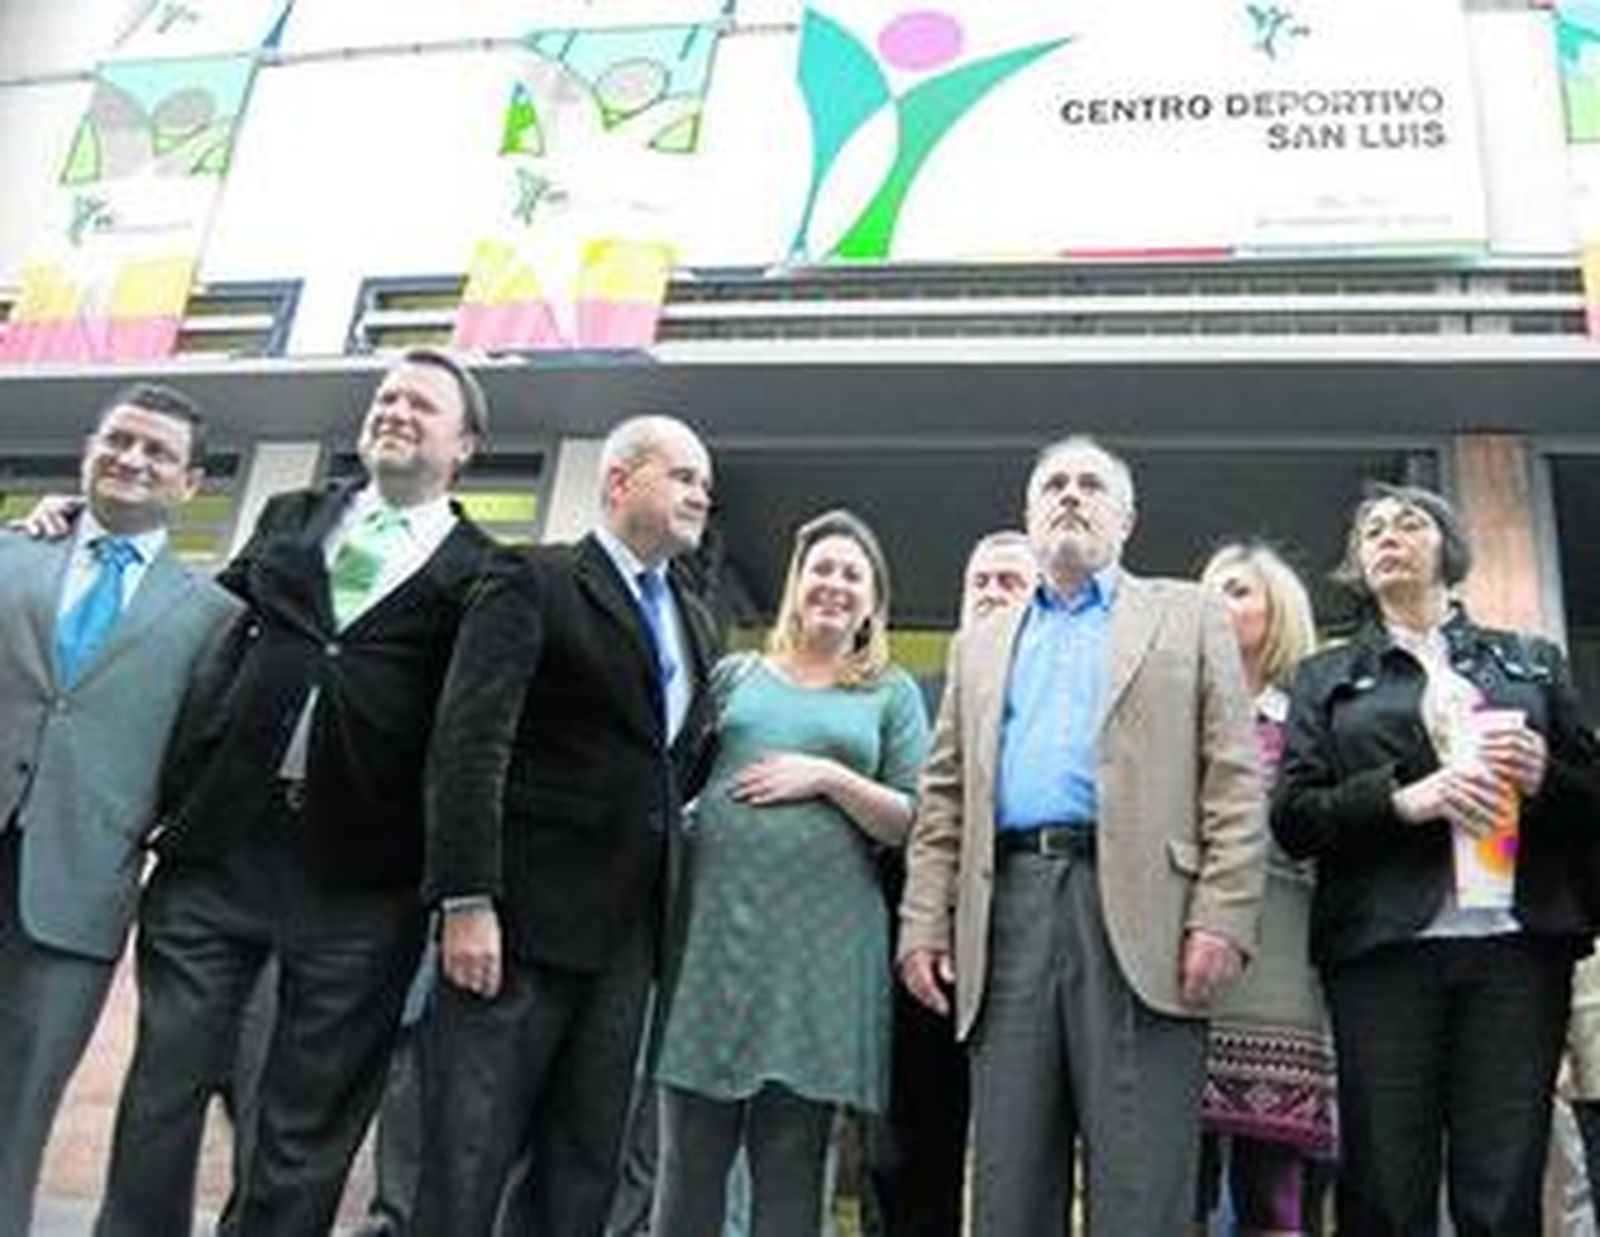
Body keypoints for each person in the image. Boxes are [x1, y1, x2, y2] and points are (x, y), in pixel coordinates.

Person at [83, 348, 495, 1237]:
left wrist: (465, 887)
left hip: (362, 880)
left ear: (464, 446)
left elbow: (475, 736)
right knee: (164, 1084)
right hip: (223, 844)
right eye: (386, 396)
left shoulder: (485, 571)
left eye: (421, 404)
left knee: (305, 1121)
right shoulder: (290, 516)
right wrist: (88, 533)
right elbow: (192, 624)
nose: (394, 409)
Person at [898, 435, 1267, 1237]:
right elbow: (944, 797)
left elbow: (1234, 778)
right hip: (1009, 914)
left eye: (1090, 483)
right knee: (1007, 1179)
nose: (1070, 494)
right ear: (1030, 517)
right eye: (1052, 484)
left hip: (1148, 916)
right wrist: (922, 920)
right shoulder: (981, 642)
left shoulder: (1188, 614)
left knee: (1141, 1183)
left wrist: (1222, 913)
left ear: (1126, 517)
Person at [416, 414, 720, 1237]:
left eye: (706, 485)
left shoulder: (696, 620)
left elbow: (675, 767)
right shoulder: (531, 578)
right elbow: (471, 739)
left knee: (582, 1167)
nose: (701, 494)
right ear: (620, 481)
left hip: (627, 941)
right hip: (519, 925)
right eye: (683, 476)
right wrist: (467, 896)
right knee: (467, 1157)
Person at [1272, 482, 1600, 1237]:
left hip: (1518, 951)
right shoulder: (1326, 677)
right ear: (1358, 561)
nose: (1388, 535)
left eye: (1408, 521)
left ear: (1447, 549)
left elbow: (1592, 804)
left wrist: (1546, 773)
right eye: (1372, 529)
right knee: (1386, 1181)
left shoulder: (1532, 663)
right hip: (1383, 952)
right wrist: (1403, 799)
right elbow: (1293, 817)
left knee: (1505, 1177)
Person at [0, 385, 241, 1237]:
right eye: (120, 440)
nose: (133, 460)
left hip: (76, 896)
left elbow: (195, 760)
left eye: (158, 453)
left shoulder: (215, 616)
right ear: (88, 450)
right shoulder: (10, 553)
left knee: (18, 1109)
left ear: (190, 483)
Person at [650, 508, 930, 1237]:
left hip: (821, 955)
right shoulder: (735, 674)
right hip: (713, 940)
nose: (833, 584)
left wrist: (828, 778)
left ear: (873, 600)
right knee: (688, 1158)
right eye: (821, 569)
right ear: (796, 585)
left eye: (851, 574)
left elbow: (915, 818)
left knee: (790, 1160)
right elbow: (676, 777)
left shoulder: (890, 692)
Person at [866, 528, 1037, 1237]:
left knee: (1025, 1151)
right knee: (910, 1147)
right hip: (923, 954)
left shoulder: (1068, 701)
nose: (993, 593)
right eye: (981, 583)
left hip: (1034, 943)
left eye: (1010, 581)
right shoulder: (916, 696)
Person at [1195, 542, 1336, 1237]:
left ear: (1277, 610)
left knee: (1273, 1183)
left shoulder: (1312, 718)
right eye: (1213, 590)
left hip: (1283, 957)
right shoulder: (1173, 712)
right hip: (1179, 955)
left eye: (1239, 590)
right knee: (1171, 1178)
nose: (1220, 603)